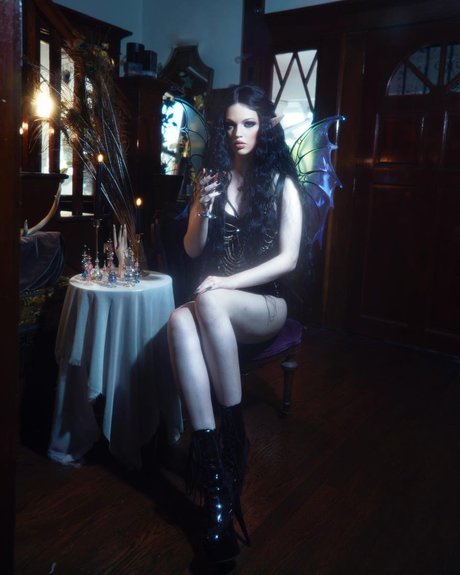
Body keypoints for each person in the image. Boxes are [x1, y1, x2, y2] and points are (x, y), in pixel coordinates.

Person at [167, 84, 303, 563]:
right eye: (230, 125)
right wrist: (200, 208)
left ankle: (233, 439)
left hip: (266, 304)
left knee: (207, 302)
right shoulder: (215, 179)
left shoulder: (282, 183)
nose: (237, 133)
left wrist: (227, 283)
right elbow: (192, 250)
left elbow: (288, 259)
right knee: (178, 322)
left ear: (265, 127)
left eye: (248, 123)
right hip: (217, 304)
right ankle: (217, 478)